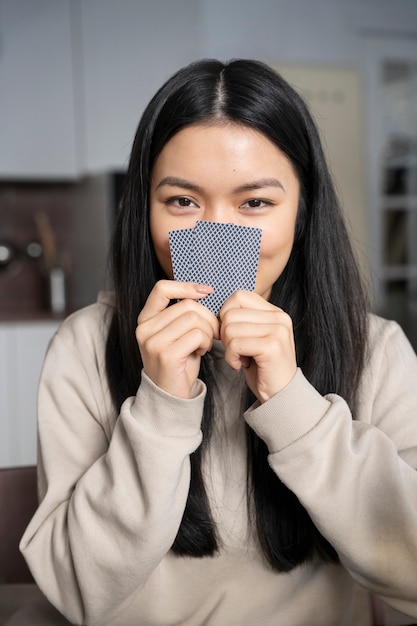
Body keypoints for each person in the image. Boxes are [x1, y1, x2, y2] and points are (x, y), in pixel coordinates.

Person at [20, 59, 417, 626]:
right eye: (182, 201)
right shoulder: (85, 344)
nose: (217, 233)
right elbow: (76, 593)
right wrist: (159, 405)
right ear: (145, 208)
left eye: (255, 203)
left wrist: (295, 408)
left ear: (302, 213)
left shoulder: (375, 349)